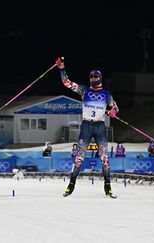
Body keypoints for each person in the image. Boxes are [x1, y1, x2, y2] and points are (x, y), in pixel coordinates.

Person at [56, 57, 119, 198]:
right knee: (80, 157)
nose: (93, 78)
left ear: (100, 78)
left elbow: (114, 106)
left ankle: (107, 186)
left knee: (104, 158)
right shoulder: (84, 90)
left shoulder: (106, 94)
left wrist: (113, 111)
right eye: (91, 76)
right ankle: (71, 185)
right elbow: (67, 83)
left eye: (95, 76)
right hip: (87, 126)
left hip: (100, 127)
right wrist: (62, 68)